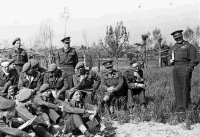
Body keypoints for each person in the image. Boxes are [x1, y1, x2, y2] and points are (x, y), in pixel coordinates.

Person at [170, 30, 199, 113]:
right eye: (176, 38)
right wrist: (171, 61)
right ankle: (179, 108)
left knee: (185, 88)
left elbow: (195, 59)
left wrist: (189, 68)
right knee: (177, 88)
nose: (178, 39)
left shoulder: (189, 46)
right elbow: (170, 58)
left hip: (185, 67)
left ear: (182, 36)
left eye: (179, 37)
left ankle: (187, 108)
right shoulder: (174, 47)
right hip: (176, 68)